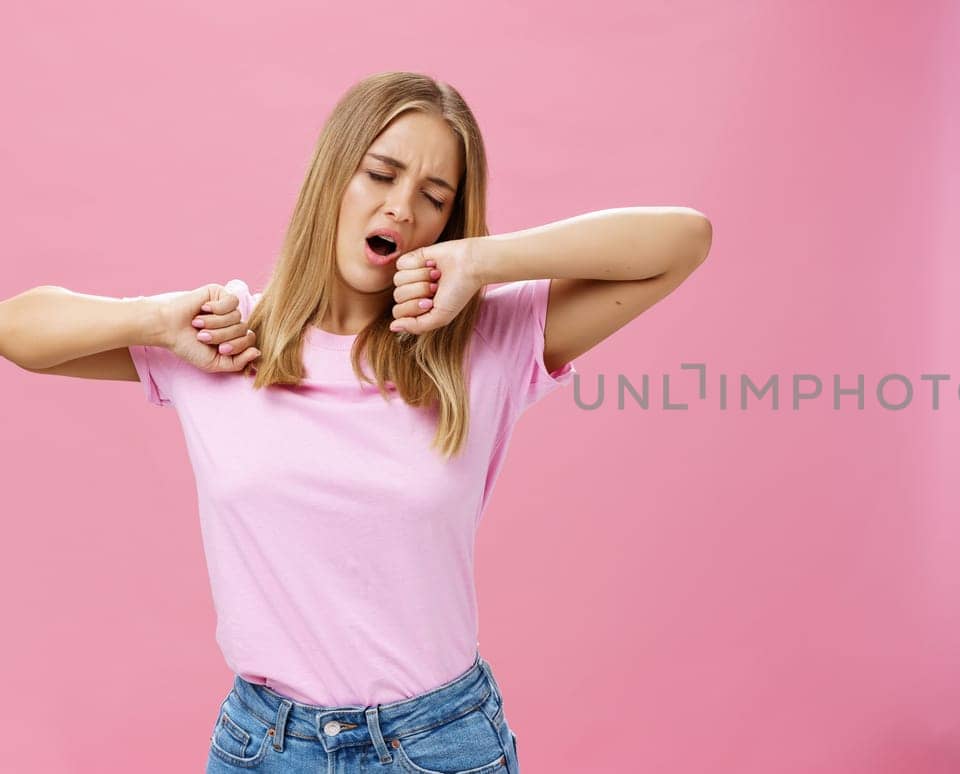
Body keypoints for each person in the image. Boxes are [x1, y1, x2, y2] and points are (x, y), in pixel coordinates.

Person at [0, 71, 712, 773]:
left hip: (438, 747)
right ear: (334, 176)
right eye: (381, 174)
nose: (402, 208)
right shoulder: (220, 339)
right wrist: (155, 316)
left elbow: (683, 240)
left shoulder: (480, 340)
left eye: (434, 198)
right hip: (261, 747)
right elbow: (18, 330)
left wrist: (481, 259)